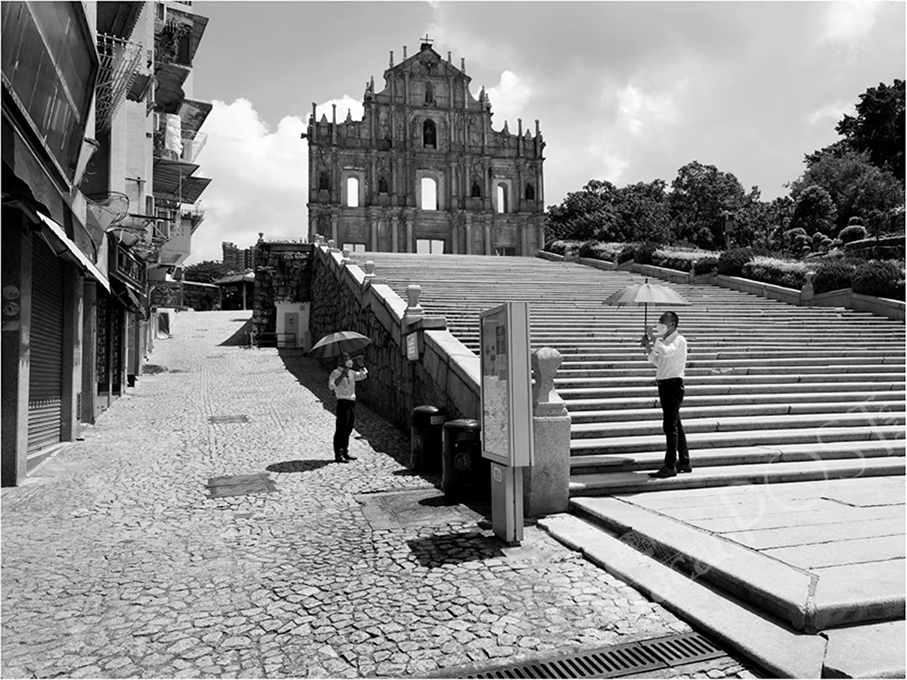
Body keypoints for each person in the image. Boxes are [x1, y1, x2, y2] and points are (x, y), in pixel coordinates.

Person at [640, 311, 690, 478]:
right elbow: (659, 362)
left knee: (670, 426)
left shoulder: (679, 340)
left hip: (673, 386)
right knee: (676, 424)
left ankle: (670, 465)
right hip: (665, 384)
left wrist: (653, 339)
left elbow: (667, 352)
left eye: (663, 321)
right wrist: (648, 346)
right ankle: (684, 461)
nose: (659, 323)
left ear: (672, 325)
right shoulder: (666, 342)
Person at [328, 352, 368, 463]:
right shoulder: (335, 373)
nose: (349, 359)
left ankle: (345, 451)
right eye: (346, 358)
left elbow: (363, 375)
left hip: (351, 402)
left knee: (349, 427)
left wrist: (361, 365)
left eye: (349, 357)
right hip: (342, 402)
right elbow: (332, 386)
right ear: (340, 360)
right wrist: (341, 375)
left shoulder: (351, 373)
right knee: (341, 428)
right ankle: (338, 454)